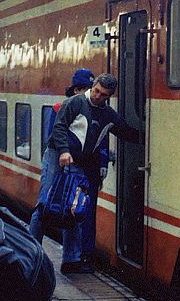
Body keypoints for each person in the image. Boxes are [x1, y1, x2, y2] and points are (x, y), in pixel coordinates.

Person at [30, 73, 139, 274]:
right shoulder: (74, 102)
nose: (97, 96)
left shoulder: (108, 114)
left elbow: (125, 131)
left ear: (109, 96)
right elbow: (59, 128)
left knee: (74, 207)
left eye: (103, 95)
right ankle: (29, 252)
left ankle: (71, 260)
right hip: (57, 154)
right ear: (93, 86)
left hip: (79, 161)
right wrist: (63, 151)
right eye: (96, 91)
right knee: (45, 203)